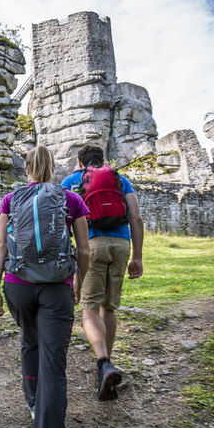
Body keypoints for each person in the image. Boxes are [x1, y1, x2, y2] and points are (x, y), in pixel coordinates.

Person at [0, 145, 90, 428]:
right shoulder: (71, 199)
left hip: (17, 286)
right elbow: (84, 250)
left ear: (28, 169)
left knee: (29, 340)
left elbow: (2, 246)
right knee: (54, 367)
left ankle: (33, 403)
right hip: (56, 289)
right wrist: (77, 283)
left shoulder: (10, 199)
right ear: (53, 168)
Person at [61, 144, 144, 401]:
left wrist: (71, 267)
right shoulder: (120, 179)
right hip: (121, 246)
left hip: (92, 246)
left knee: (88, 308)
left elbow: (63, 220)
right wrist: (137, 256)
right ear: (103, 160)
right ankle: (105, 369)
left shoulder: (72, 181)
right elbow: (136, 218)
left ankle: (103, 363)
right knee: (108, 308)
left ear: (79, 161)